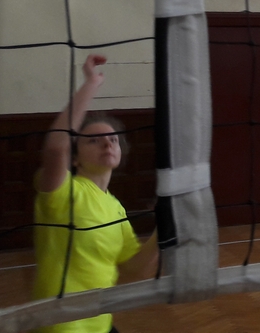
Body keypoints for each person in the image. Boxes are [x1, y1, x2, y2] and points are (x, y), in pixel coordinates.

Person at [34, 54, 159, 333]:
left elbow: (136, 268)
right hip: (62, 326)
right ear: (75, 158)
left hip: (100, 323)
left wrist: (164, 226)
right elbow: (55, 147)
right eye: (94, 141)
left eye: (113, 139)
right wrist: (92, 83)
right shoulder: (63, 190)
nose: (107, 144)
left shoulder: (116, 208)